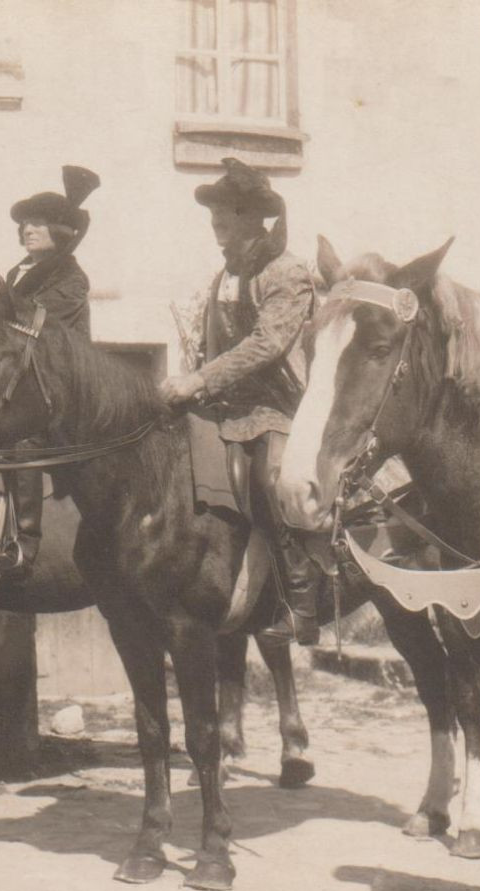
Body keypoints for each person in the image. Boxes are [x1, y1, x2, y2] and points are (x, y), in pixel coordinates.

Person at [160, 157, 320, 644]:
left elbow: (267, 344)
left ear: (252, 218)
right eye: (213, 219)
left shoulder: (287, 274)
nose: (216, 228)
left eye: (224, 217)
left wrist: (200, 379)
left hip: (280, 406)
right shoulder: (223, 278)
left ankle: (302, 602)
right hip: (226, 408)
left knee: (273, 480)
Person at [0, 165, 101, 580]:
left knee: (24, 437)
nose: (27, 229)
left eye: (37, 223)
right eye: (24, 223)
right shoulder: (19, 273)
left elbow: (33, 333)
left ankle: (24, 542)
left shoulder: (71, 281)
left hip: (61, 386)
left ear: (60, 231)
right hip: (22, 379)